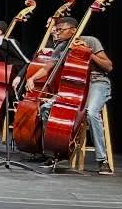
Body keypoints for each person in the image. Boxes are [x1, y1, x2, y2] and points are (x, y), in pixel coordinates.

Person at [27, 15, 114, 171]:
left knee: (92, 112)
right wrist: (32, 78)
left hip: (97, 83)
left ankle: (102, 160)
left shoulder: (90, 41)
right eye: (57, 30)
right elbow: (47, 68)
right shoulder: (61, 47)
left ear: (73, 30)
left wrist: (89, 53)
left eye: (61, 30)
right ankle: (56, 152)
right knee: (46, 108)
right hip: (74, 87)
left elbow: (108, 66)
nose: (57, 33)